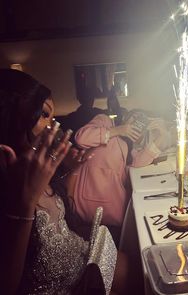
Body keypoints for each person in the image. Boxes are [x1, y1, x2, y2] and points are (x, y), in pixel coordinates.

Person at [0, 69, 129, 295]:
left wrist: (74, 170)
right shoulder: (10, 184)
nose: (52, 126)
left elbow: (65, 215)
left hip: (83, 263)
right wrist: (25, 203)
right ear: (14, 118)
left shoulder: (40, 167)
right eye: (43, 114)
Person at [72, 107, 173, 244]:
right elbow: (81, 138)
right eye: (134, 117)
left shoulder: (126, 146)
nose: (137, 122)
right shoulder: (105, 121)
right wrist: (119, 130)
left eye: (142, 121)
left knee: (147, 220)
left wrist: (161, 137)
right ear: (124, 117)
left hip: (114, 212)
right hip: (87, 207)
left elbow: (133, 169)